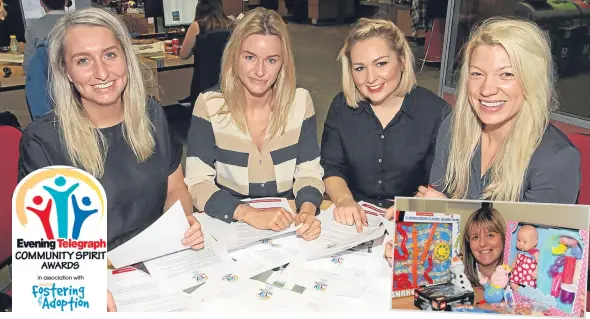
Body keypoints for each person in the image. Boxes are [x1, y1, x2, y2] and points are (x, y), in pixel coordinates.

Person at [18, 7, 204, 253]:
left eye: (109, 55)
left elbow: (176, 189)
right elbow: (44, 249)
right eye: (83, 60)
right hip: (93, 273)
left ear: (126, 57)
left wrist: (179, 224)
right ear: (66, 72)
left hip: (157, 257)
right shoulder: (42, 142)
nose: (102, 72)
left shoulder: (151, 113)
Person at [184, 7, 323, 241]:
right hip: (232, 221)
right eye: (250, 57)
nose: (260, 71)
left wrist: (307, 211)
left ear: (283, 63)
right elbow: (197, 182)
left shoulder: (300, 102)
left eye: (271, 60)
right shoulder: (210, 104)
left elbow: (308, 171)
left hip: (288, 222)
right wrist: (248, 214)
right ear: (234, 56)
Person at [417, 17, 581, 204]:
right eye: (477, 74)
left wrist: (448, 211)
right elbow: (433, 206)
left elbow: (531, 233)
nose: (487, 90)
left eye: (506, 75)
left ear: (533, 80)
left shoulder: (557, 160)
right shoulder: (453, 128)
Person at [321, 17, 450, 232]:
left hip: (412, 220)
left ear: (401, 60)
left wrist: (413, 205)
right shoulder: (341, 107)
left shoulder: (436, 113)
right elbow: (331, 166)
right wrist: (344, 200)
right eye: (360, 68)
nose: (371, 78)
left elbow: (440, 183)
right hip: (354, 220)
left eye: (381, 63)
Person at [178, 0, 234, 107]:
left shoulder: (196, 26)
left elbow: (183, 54)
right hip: (226, 84)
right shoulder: (231, 25)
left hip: (202, 86)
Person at [462, 206, 506, 286]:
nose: (482, 243)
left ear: (503, 238)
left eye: (490, 235)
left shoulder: (520, 278)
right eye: (475, 237)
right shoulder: (459, 281)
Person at [23, 0, 68, 72]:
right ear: (66, 2)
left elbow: (28, 66)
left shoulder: (32, 27)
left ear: (41, 3)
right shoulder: (79, 23)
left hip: (46, 80)